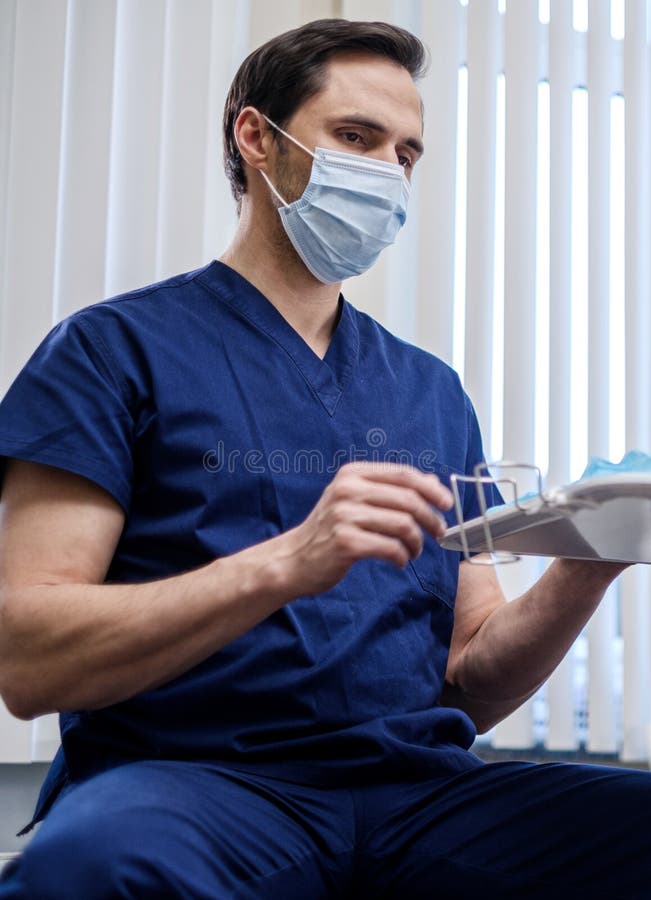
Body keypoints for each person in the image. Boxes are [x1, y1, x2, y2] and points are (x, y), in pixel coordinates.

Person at [0, 17, 648, 900]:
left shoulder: (430, 391)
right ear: (256, 137)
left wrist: (590, 558)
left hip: (417, 794)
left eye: (406, 153)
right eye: (355, 137)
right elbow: (29, 661)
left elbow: (469, 684)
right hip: (197, 785)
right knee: (95, 864)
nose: (385, 171)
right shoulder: (110, 353)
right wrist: (285, 564)